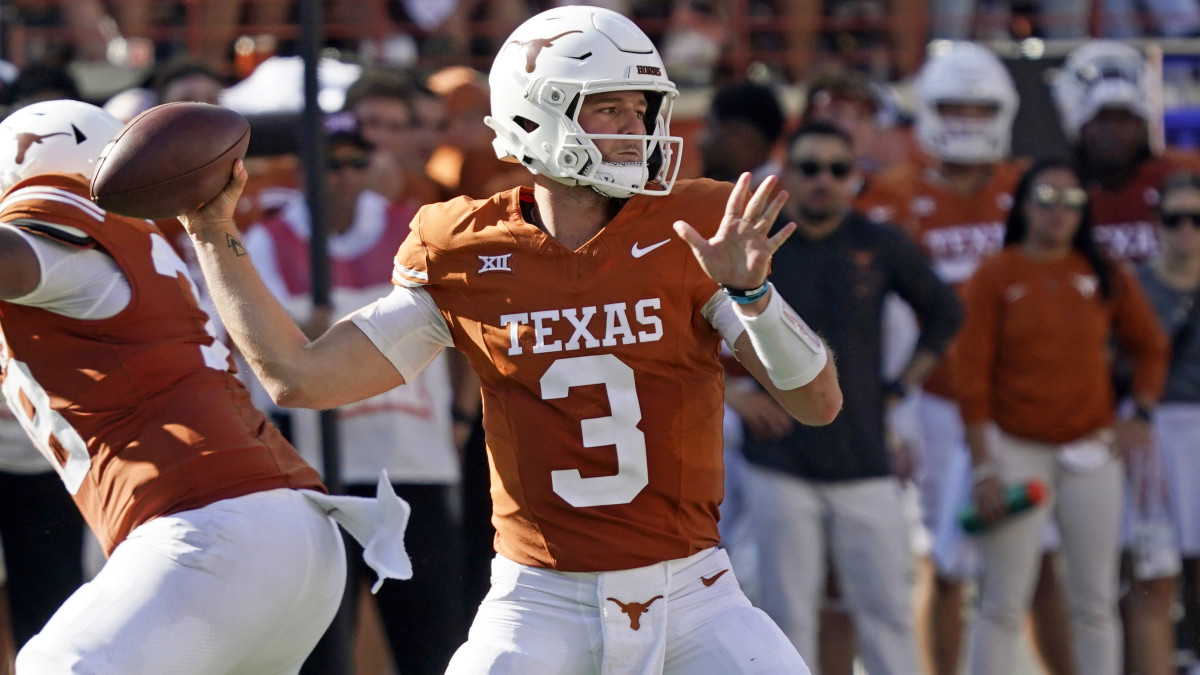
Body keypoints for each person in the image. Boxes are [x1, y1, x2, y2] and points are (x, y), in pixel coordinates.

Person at [180, 5, 842, 674]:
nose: (635, 127)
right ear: (537, 115)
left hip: (695, 590)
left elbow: (817, 403)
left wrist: (751, 296)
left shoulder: (692, 230)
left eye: (640, 108)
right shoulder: (468, 249)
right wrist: (212, 235)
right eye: (606, 108)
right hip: (541, 596)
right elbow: (302, 377)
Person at [0, 99, 409, 674]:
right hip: (296, 533)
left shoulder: (57, 214)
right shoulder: (143, 244)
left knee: (56, 666)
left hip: (211, 526)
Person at [868, 41, 1084, 675]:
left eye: (979, 105)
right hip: (934, 399)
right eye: (953, 105)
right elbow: (880, 320)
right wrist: (894, 411)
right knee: (945, 558)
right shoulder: (890, 197)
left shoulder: (1027, 190)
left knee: (1041, 558)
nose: (966, 118)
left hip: (1018, 401)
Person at [728, 120, 961, 674]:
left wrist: (899, 390)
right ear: (786, 174)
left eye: (837, 169)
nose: (823, 181)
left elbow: (947, 312)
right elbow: (685, 323)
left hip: (863, 456)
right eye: (809, 168)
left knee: (886, 615)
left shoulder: (878, 243)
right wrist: (735, 397)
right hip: (779, 458)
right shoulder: (756, 245)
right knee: (786, 619)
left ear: (856, 178)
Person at [246, 112, 468, 675]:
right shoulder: (268, 239)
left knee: (431, 636)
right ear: (304, 168)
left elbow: (461, 319)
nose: (343, 176)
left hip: (414, 459)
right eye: (330, 162)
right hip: (321, 470)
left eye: (355, 162)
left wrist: (462, 417)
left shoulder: (410, 229)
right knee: (323, 641)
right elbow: (258, 340)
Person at [956, 157, 1170, 675]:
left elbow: (1151, 346)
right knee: (1004, 600)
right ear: (1025, 206)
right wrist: (985, 466)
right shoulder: (994, 275)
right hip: (1015, 449)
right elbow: (971, 378)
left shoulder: (1102, 273)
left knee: (1096, 602)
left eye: (1071, 201)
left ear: (1084, 211)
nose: (1058, 212)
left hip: (1091, 450)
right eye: (1046, 199)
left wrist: (1140, 413)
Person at [1131, 170, 1200, 675]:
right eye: (1174, 219)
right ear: (1157, 224)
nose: (1186, 229)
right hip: (1152, 436)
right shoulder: (1133, 288)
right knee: (1154, 575)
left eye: (1196, 219)